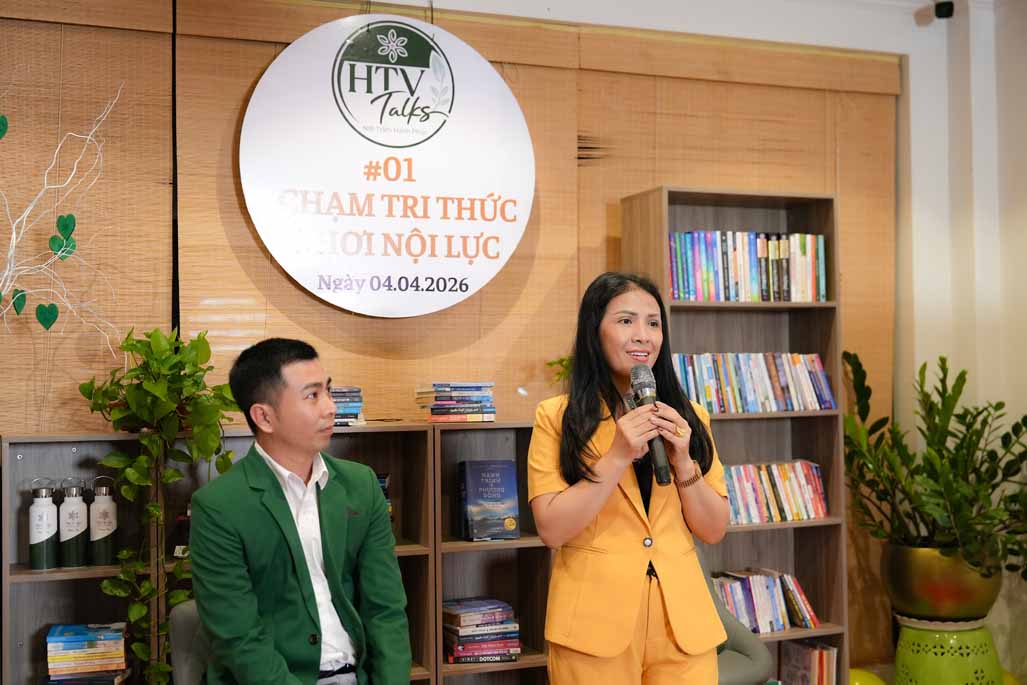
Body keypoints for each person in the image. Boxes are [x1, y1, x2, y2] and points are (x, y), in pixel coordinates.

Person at [528, 272, 730, 683]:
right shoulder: (557, 418)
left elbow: (713, 529)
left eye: (653, 323)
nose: (643, 335)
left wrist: (684, 463)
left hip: (684, 629)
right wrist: (618, 455)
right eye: (625, 321)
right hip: (593, 629)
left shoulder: (691, 417)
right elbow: (551, 529)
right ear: (594, 331)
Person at [190, 338, 410, 685]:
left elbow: (386, 608)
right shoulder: (218, 506)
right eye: (312, 395)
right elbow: (240, 640)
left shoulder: (361, 485)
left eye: (328, 391)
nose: (330, 408)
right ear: (264, 417)